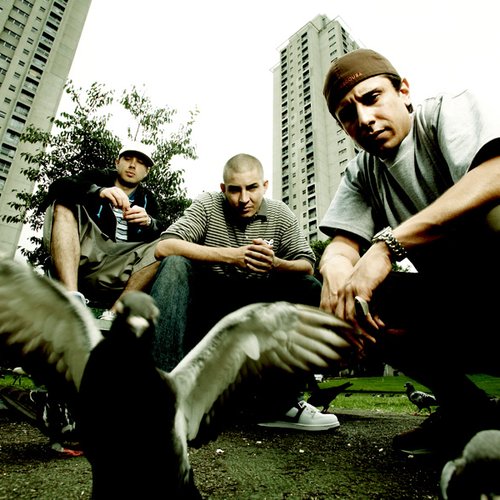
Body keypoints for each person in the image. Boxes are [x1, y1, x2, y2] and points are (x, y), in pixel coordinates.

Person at [319, 48, 500, 457]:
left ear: (403, 91)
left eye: (372, 99)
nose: (364, 119)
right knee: (361, 296)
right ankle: (467, 411)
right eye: (348, 115)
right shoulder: (362, 171)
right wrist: (336, 273)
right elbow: (342, 244)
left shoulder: (444, 113)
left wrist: (387, 246)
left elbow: (496, 173)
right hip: (458, 304)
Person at [151, 153, 340, 431]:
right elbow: (164, 246)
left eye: (252, 188)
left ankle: (282, 404)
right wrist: (232, 255)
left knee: (308, 286)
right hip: (209, 304)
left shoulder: (280, 213)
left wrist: (276, 263)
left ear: (265, 185)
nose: (243, 199)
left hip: (258, 303)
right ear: (222, 189)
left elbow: (306, 265)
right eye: (234, 190)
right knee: (174, 264)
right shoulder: (207, 204)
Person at [41, 141, 163, 319]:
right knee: (62, 204)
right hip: (87, 252)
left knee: (167, 245)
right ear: (117, 163)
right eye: (127, 159)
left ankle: (116, 312)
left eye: (140, 162)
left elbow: (163, 229)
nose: (132, 165)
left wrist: (149, 222)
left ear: (146, 172)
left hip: (122, 265)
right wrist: (98, 191)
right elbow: (58, 187)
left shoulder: (148, 200)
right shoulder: (97, 177)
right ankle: (72, 299)